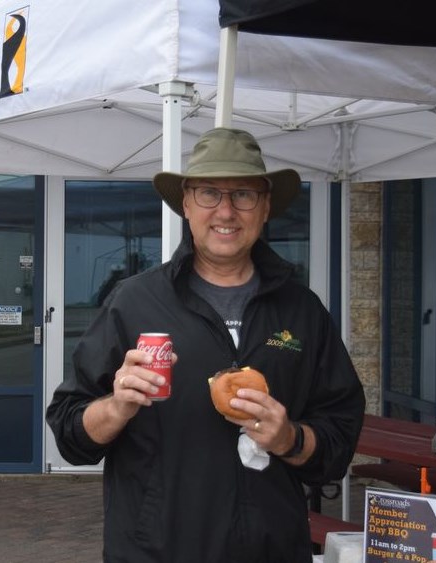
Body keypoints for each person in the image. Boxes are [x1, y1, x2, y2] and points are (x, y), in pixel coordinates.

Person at [46, 128, 366, 562]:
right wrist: (117, 406)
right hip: (157, 552)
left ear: (266, 205)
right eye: (210, 193)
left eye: (244, 195)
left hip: (272, 551)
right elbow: (69, 432)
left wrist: (289, 438)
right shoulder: (135, 301)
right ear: (186, 203)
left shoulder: (301, 310)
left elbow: (339, 438)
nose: (226, 211)